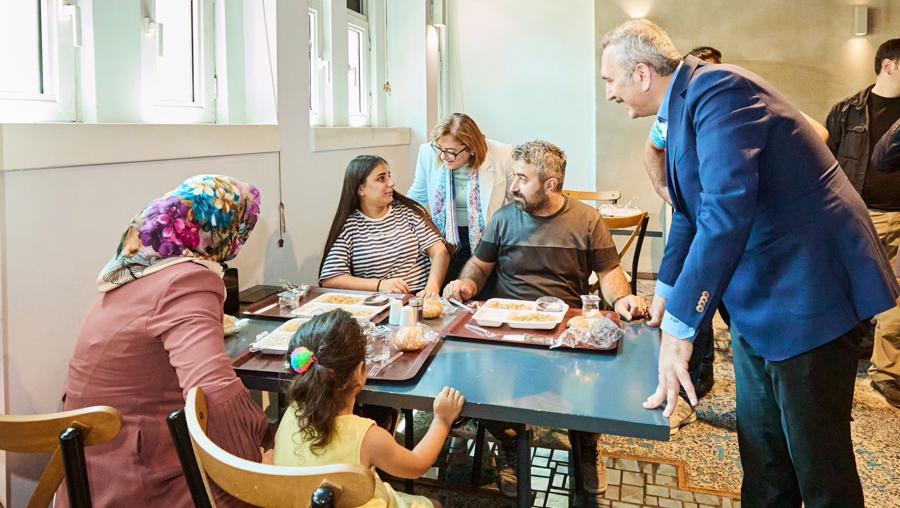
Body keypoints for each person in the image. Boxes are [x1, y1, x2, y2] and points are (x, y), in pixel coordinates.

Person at [600, 19, 898, 506]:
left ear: (640, 74)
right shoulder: (682, 105)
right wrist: (667, 292)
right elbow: (690, 213)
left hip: (809, 293)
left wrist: (681, 330)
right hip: (760, 298)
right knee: (762, 454)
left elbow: (725, 210)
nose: (609, 94)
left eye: (609, 81)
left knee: (818, 465)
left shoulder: (720, 90)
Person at [444, 140, 647, 497]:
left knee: (596, 384)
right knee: (475, 382)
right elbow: (479, 265)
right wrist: (465, 282)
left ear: (550, 185)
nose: (513, 186)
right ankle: (509, 442)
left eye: (523, 178)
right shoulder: (504, 218)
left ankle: (586, 447)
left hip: (566, 328)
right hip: (508, 326)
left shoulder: (587, 220)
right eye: (514, 177)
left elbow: (610, 271)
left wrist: (624, 299)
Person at [58, 175, 271, 507]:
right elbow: (213, 394)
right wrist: (261, 451)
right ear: (223, 230)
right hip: (140, 478)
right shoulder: (188, 279)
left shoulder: (133, 269)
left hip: (87, 472)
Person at [274, 309, 464, 508]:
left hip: (302, 501)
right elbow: (418, 465)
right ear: (359, 372)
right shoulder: (368, 437)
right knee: (434, 504)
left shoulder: (291, 412)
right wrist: (442, 420)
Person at [826, 38, 900, 407]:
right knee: (850, 291)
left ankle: (887, 373)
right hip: (860, 213)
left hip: (899, 214)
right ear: (889, 65)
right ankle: (842, 355)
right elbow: (826, 164)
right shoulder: (847, 111)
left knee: (897, 305)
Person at [320, 155, 451, 296]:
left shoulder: (408, 212)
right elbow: (330, 278)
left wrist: (431, 290)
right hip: (378, 305)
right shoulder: (350, 226)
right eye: (381, 178)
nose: (391, 183)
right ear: (360, 190)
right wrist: (380, 285)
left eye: (389, 176)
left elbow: (440, 252)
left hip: (418, 298)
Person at [408, 113, 515, 280]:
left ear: (471, 148)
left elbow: (516, 201)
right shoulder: (428, 152)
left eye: (451, 152)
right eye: (440, 149)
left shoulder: (502, 154)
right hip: (446, 241)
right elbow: (416, 197)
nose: (444, 156)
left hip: (488, 239)